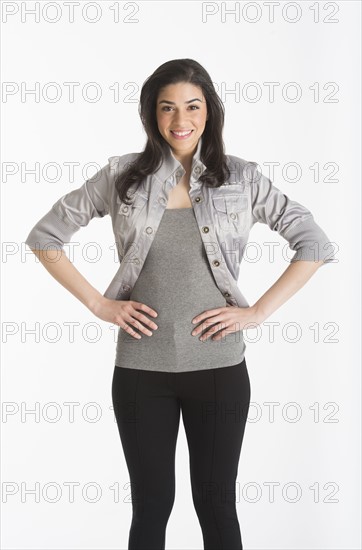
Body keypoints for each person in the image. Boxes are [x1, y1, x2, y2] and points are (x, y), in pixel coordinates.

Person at [25, 58, 336, 550]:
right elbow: (44, 237)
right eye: (166, 108)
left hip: (218, 367)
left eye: (192, 106)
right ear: (151, 114)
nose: (179, 120)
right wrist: (99, 305)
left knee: (216, 506)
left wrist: (256, 313)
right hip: (140, 369)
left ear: (210, 111)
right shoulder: (121, 175)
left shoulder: (243, 179)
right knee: (151, 506)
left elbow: (314, 243)